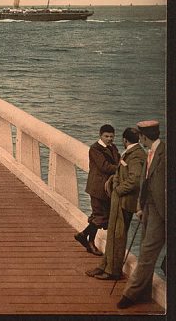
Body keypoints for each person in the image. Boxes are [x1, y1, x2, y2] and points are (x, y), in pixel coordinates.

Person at [117, 120, 166, 309]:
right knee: (147, 252)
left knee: (146, 253)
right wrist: (140, 207)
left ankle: (130, 294)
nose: (140, 139)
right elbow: (145, 184)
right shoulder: (150, 153)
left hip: (161, 213)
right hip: (149, 209)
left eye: (140, 136)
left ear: (144, 136)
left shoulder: (165, 154)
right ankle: (144, 293)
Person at [85, 127, 146, 280]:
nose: (111, 139)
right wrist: (114, 180)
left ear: (124, 140)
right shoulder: (131, 153)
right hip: (118, 199)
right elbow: (120, 171)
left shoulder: (136, 155)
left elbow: (134, 180)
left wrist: (118, 190)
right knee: (112, 234)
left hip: (124, 200)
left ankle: (113, 271)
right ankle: (104, 266)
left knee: (117, 236)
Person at [74, 124, 119, 255]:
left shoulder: (113, 148)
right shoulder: (95, 149)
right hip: (97, 188)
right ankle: (87, 239)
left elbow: (119, 160)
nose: (109, 139)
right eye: (106, 136)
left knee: (98, 216)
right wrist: (122, 168)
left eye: (112, 136)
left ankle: (86, 238)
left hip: (106, 189)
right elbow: (104, 166)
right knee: (100, 217)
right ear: (100, 135)